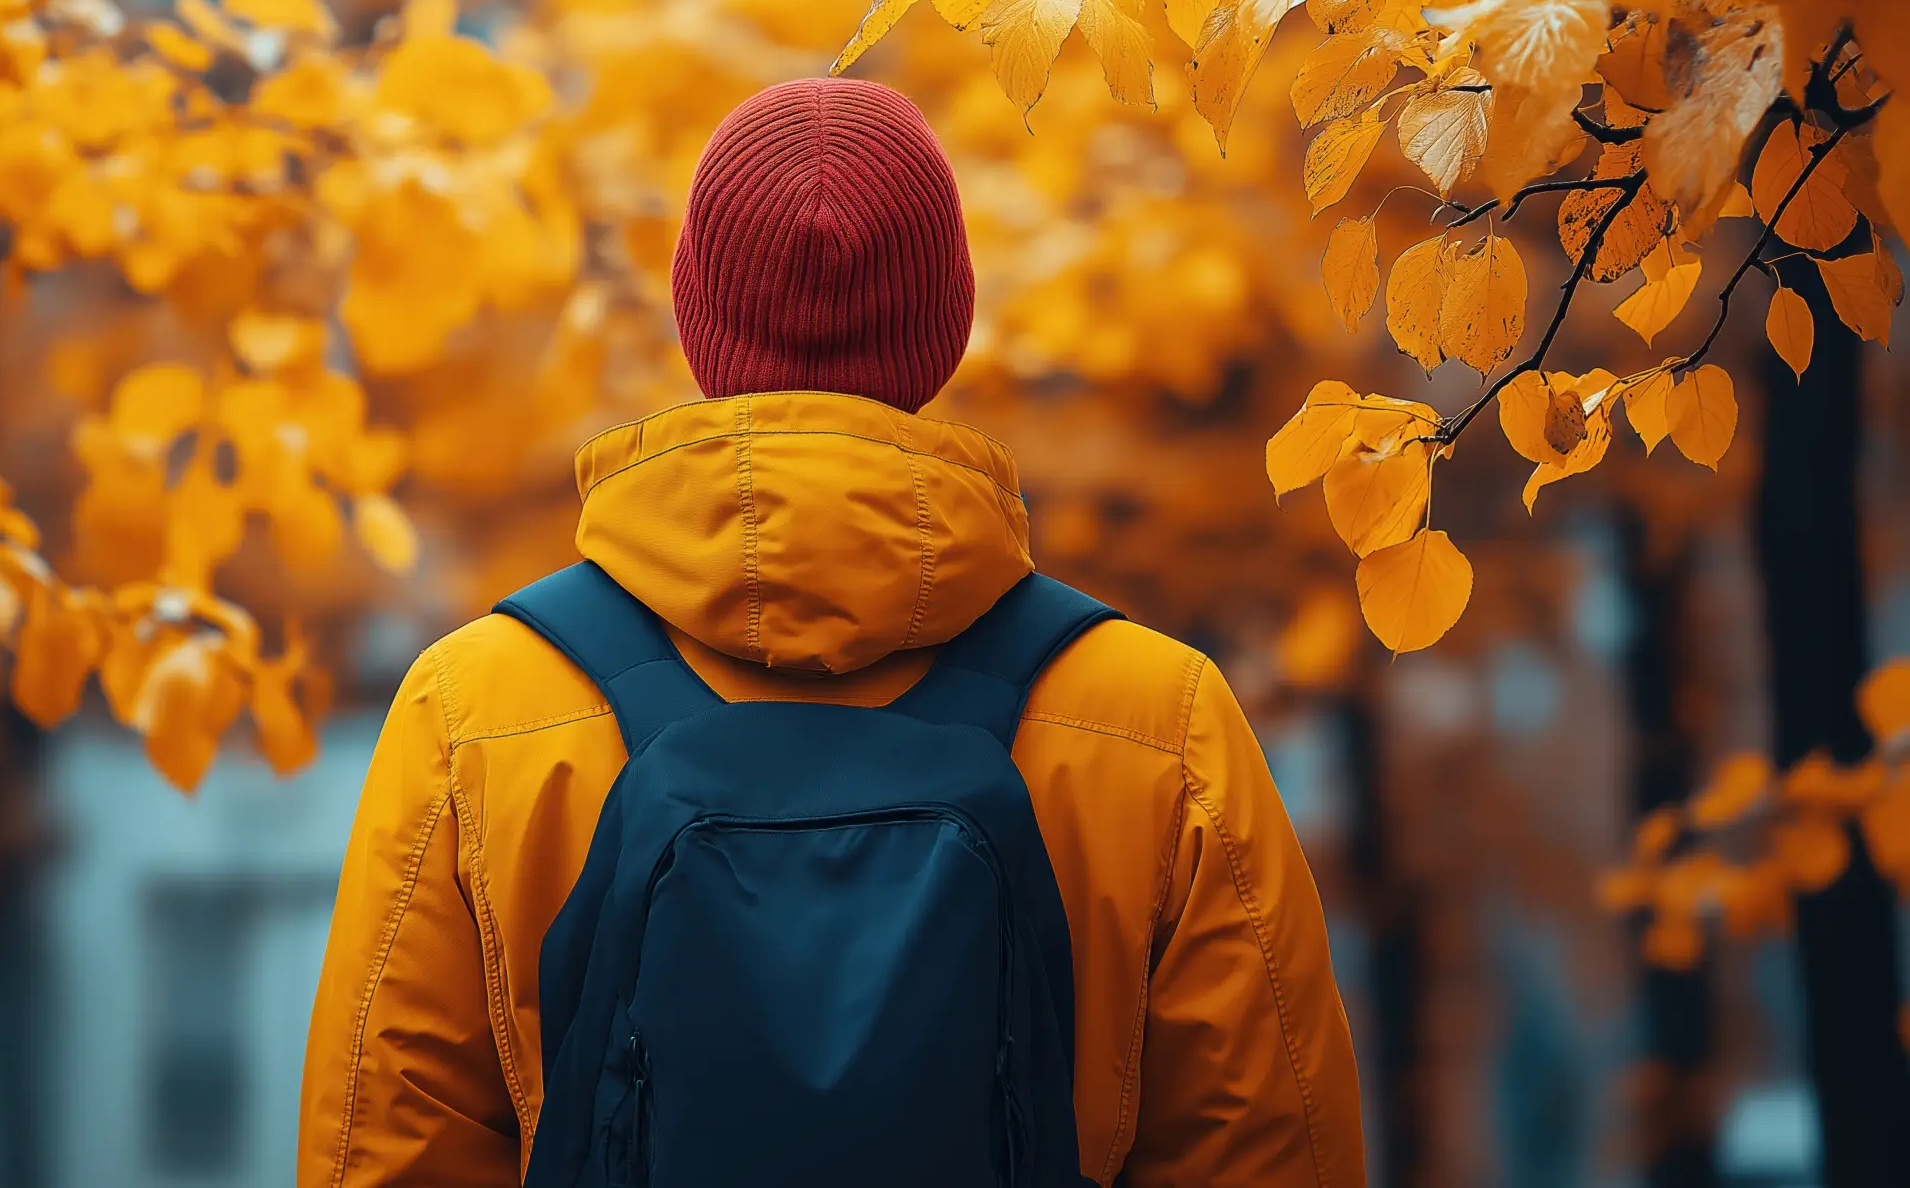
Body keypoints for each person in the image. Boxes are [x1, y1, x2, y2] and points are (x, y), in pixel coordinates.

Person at [298, 77, 1366, 1188]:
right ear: (944, 322)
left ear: (694, 316)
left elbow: (381, 1155)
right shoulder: (1158, 721)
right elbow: (1269, 1154)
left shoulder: (473, 710)